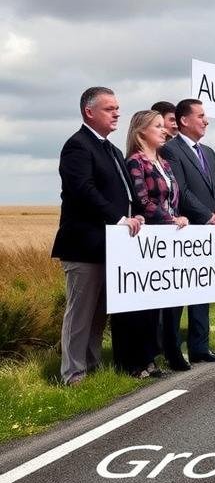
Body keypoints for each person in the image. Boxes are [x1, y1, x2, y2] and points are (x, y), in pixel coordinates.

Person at [52, 87, 144, 385]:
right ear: (89, 112)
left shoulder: (113, 150)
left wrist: (136, 213)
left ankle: (91, 367)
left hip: (112, 247)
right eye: (109, 108)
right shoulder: (77, 146)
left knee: (99, 313)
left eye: (118, 107)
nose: (117, 112)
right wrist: (118, 219)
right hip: (84, 245)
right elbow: (83, 190)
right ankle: (73, 374)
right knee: (80, 313)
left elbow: (125, 193)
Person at [158, 100, 215, 363]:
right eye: (201, 116)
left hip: (211, 231)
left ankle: (200, 347)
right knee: (179, 292)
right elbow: (181, 190)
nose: (206, 121)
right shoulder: (171, 150)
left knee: (203, 288)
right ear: (184, 120)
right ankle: (172, 350)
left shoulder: (209, 152)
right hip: (187, 230)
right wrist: (208, 216)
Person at [124, 110, 191, 376]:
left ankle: (164, 353)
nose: (164, 131)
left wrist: (178, 216)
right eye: (158, 126)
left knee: (168, 300)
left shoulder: (164, 162)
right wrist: (169, 219)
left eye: (164, 127)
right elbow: (143, 201)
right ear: (141, 131)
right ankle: (143, 359)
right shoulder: (135, 162)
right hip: (149, 239)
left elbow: (172, 197)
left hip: (168, 239)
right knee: (147, 304)